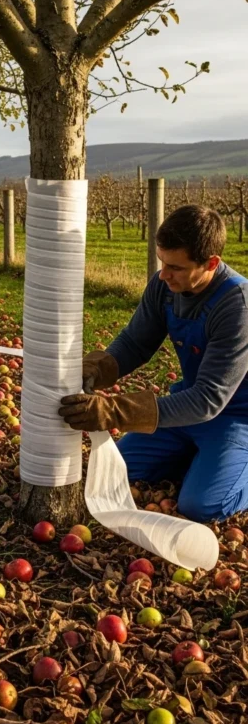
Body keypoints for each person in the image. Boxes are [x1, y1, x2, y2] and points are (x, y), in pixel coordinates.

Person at [59, 205, 248, 522]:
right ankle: (205, 460)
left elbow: (208, 399)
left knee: (202, 506)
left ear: (211, 263)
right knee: (116, 469)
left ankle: (227, 464)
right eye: (162, 261)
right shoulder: (164, 286)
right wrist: (99, 366)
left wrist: (115, 411)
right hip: (189, 409)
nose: (163, 274)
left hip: (236, 419)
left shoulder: (237, 306)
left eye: (175, 267)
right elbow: (135, 343)